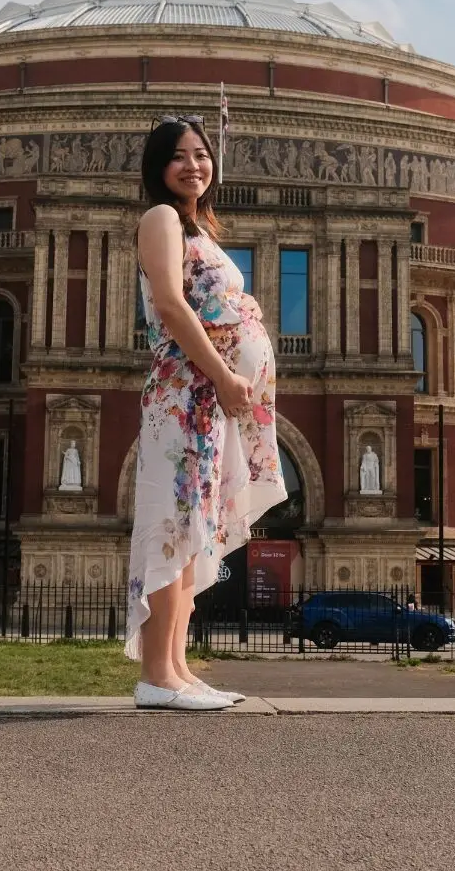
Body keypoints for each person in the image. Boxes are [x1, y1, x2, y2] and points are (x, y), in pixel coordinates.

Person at [126, 115, 287, 710]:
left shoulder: (199, 229)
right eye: (179, 156)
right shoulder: (160, 218)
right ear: (157, 167)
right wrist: (224, 375)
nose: (194, 165)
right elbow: (169, 302)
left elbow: (204, 300)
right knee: (171, 525)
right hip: (186, 393)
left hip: (205, 402)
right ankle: (155, 677)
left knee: (193, 532)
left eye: (202, 154)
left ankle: (178, 668)